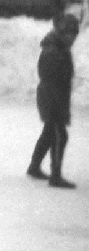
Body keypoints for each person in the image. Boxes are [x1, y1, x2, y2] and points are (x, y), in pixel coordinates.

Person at [27, 13, 80, 189]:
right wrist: (56, 105)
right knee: (60, 136)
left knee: (49, 133)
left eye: (74, 34)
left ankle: (34, 167)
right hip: (52, 99)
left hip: (55, 98)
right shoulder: (53, 51)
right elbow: (51, 79)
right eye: (69, 34)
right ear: (61, 32)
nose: (72, 38)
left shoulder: (60, 49)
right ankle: (55, 176)